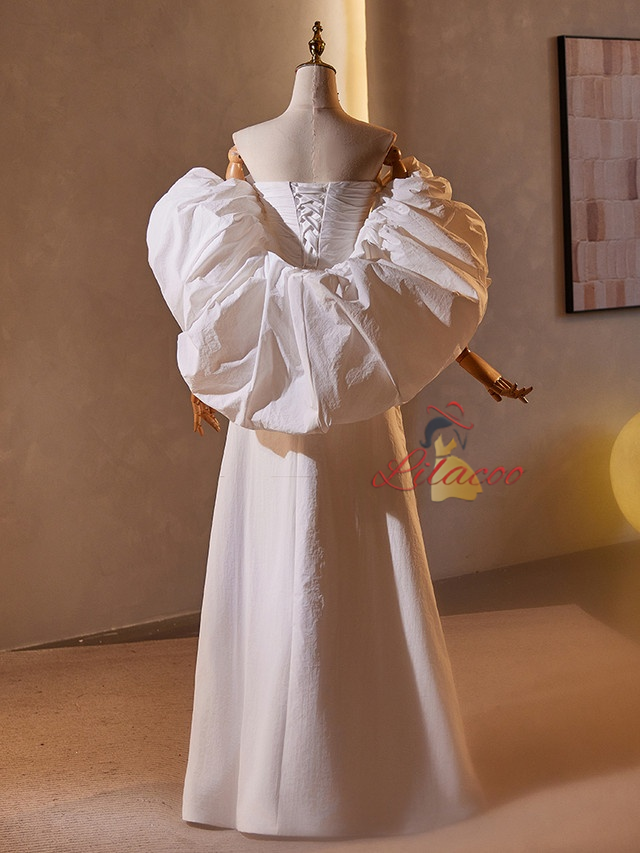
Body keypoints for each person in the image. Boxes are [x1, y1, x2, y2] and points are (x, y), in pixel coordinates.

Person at [147, 21, 503, 838]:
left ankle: (331, 769)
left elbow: (421, 283)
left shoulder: (367, 148)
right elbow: (213, 290)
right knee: (298, 564)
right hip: (313, 392)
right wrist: (207, 375)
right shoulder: (270, 149)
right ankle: (299, 771)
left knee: (340, 560)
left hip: (341, 392)